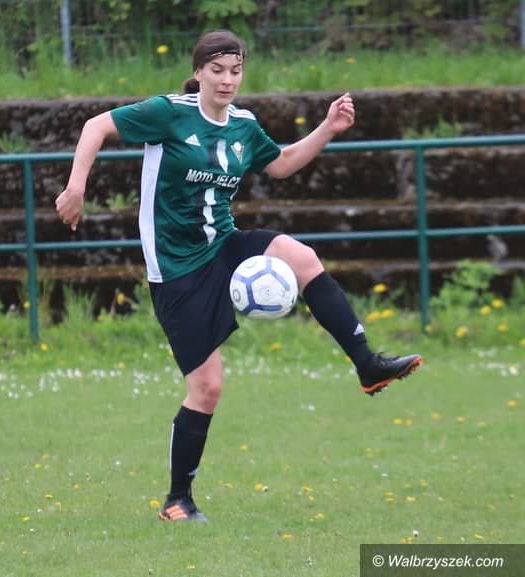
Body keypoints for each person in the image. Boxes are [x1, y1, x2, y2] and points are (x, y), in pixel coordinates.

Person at [54, 30, 422, 523]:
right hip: (177, 269)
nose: (227, 80)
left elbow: (281, 164)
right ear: (199, 72)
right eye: (217, 71)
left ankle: (368, 365)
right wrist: (76, 188)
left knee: (302, 257)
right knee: (207, 389)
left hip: (224, 245)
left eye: (235, 71)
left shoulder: (243, 125)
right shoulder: (169, 113)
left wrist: (328, 128)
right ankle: (177, 500)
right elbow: (95, 126)